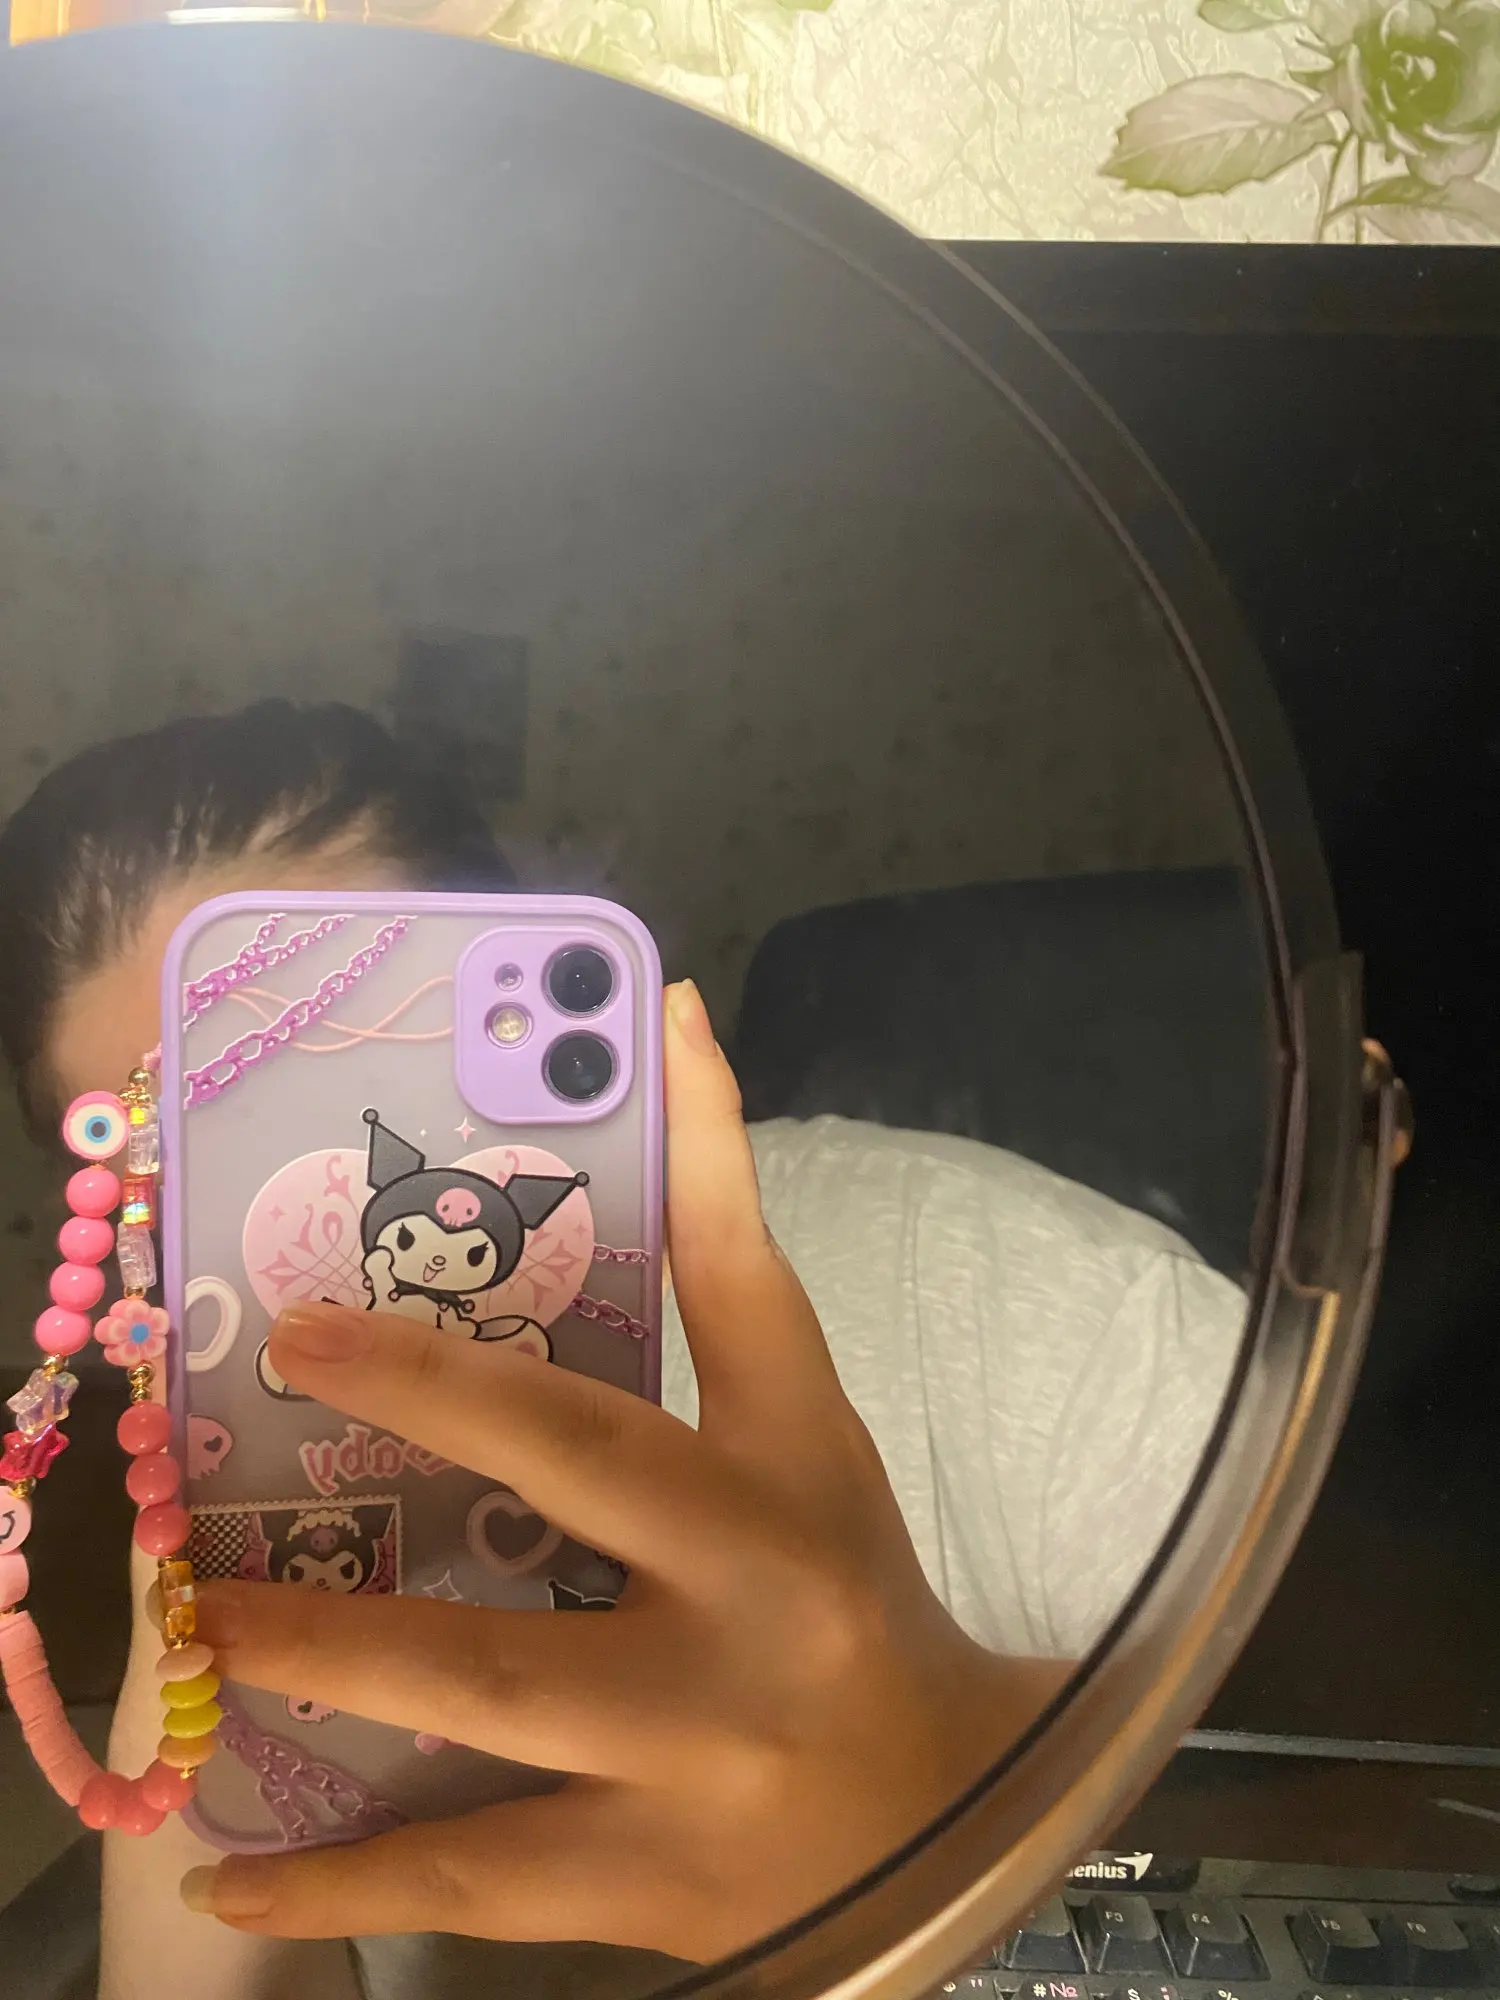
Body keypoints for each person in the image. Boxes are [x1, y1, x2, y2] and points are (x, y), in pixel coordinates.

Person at [0, 700, 1242, 2000]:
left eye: (333, 1078)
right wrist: (191, 1627)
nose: (286, 1201)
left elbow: (1371, 1789)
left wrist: (978, 1797)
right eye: (171, 1167)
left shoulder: (991, 1282)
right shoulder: (217, 1476)